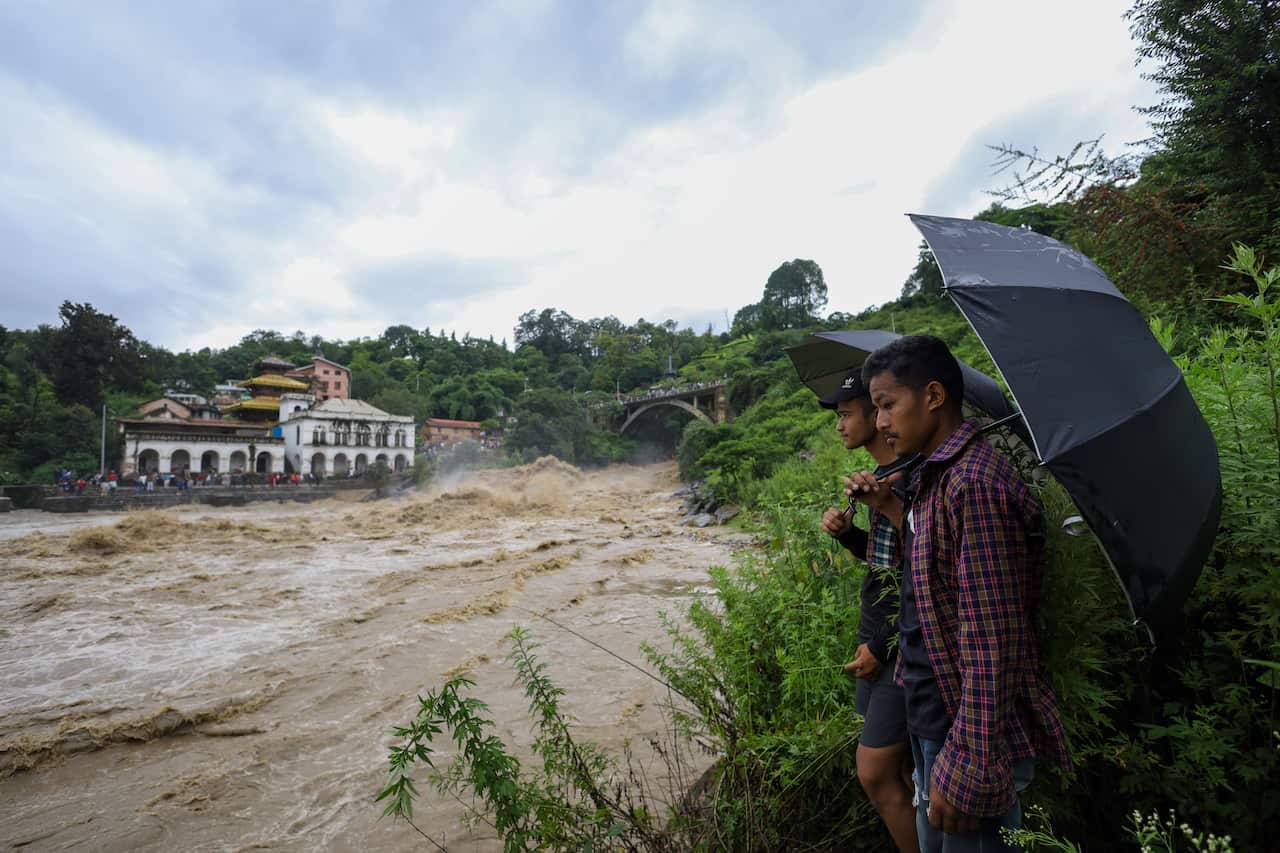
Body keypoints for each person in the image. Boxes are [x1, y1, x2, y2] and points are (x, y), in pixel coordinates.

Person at [858, 335, 1070, 852]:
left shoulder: (973, 486)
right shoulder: (932, 480)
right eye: (875, 408)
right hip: (934, 718)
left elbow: (993, 639)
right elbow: (931, 591)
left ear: (932, 396)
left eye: (887, 405)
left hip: (966, 736)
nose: (880, 422)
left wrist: (971, 759)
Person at [816, 369, 919, 852]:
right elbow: (886, 563)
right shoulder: (879, 479)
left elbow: (920, 573)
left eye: (846, 415)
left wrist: (880, 646)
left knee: (875, 771)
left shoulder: (907, 481)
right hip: (880, 638)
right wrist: (849, 535)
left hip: (899, 648)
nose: (840, 426)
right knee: (899, 769)